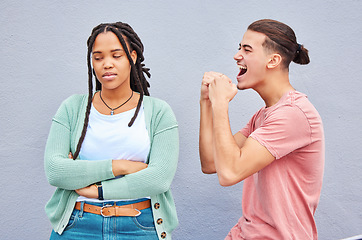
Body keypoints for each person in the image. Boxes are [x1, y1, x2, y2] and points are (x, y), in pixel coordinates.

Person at [44, 22, 179, 240]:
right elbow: (55, 171)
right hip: (77, 226)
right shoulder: (72, 108)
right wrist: (121, 166)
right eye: (98, 58)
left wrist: (97, 190)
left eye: (116, 55)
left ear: (132, 57)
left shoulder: (158, 112)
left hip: (140, 226)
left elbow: (158, 179)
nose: (107, 64)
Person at [199, 19, 324, 239]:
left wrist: (221, 105)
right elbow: (211, 163)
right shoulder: (263, 115)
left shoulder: (293, 114)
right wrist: (206, 103)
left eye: (247, 49)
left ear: (273, 60)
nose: (237, 55)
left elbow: (229, 174)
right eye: (239, 48)